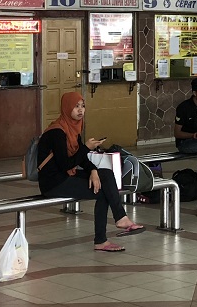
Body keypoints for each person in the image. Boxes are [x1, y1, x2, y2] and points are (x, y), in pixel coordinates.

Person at [37, 92, 145, 252]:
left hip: (66, 176)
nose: (80, 110)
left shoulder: (73, 129)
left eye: (83, 106)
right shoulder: (57, 132)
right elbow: (65, 164)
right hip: (53, 182)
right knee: (104, 191)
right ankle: (104, 237)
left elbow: (80, 158)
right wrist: (86, 148)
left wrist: (93, 170)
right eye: (76, 106)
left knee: (106, 175)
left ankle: (119, 219)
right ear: (67, 108)